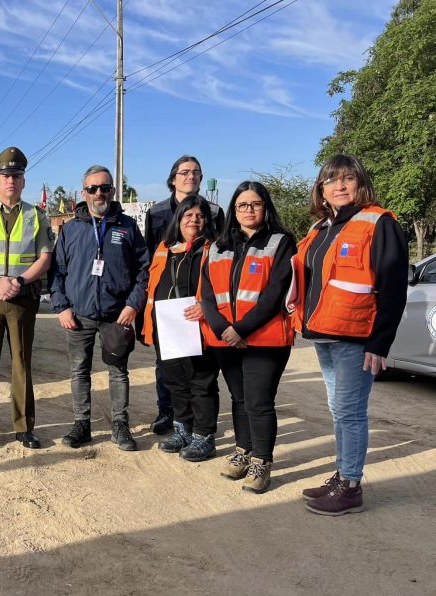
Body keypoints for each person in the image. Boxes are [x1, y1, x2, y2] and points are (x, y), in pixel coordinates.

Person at [291, 154, 407, 515]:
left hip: (356, 336)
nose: (339, 186)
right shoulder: (320, 228)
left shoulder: (378, 223)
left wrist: (380, 342)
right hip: (325, 333)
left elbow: (393, 286)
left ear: (360, 183)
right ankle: (342, 474)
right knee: (338, 409)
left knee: (350, 411)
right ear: (321, 189)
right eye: (330, 180)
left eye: (347, 179)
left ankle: (351, 486)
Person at [200, 181, 296, 493]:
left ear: (265, 207)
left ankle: (262, 461)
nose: (249, 210)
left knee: (258, 401)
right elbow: (207, 296)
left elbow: (275, 293)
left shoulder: (281, 242)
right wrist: (224, 330)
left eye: (255, 204)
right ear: (234, 210)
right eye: (242, 205)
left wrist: (240, 329)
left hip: (266, 339)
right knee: (239, 399)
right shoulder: (217, 246)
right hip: (226, 339)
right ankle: (243, 450)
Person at [50, 165, 149, 451]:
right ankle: (82, 424)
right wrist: (61, 307)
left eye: (104, 188)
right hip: (78, 315)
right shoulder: (70, 229)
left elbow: (144, 270)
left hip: (116, 315)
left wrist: (133, 305)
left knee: (118, 371)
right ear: (84, 193)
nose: (99, 193)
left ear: (113, 191)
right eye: (92, 189)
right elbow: (57, 272)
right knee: (79, 371)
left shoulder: (127, 227)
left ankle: (120, 425)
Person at [0, 147, 53, 449]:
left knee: (22, 364)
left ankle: (23, 427)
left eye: (16, 176)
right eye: (5, 176)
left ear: (24, 181)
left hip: (22, 299)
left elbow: (45, 257)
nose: (10, 181)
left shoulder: (36, 216)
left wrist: (17, 281)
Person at [143, 155, 224, 435]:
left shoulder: (214, 213)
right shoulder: (155, 214)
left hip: (198, 314)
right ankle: (172, 416)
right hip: (169, 316)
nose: (190, 176)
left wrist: (210, 306)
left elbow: (223, 264)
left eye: (196, 172)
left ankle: (202, 431)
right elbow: (153, 260)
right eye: (184, 172)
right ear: (173, 177)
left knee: (202, 376)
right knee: (169, 371)